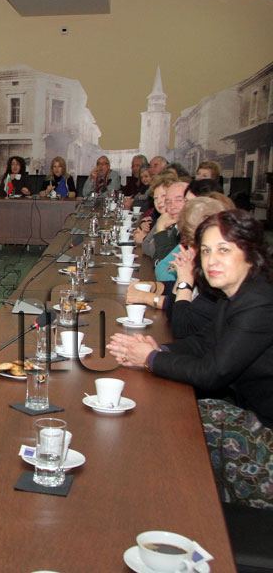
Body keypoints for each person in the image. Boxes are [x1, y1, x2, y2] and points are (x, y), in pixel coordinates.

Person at [108, 209, 273, 505]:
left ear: (250, 253)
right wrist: (155, 349)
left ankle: (186, 513)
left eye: (224, 250)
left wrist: (151, 359)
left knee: (170, 427)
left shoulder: (259, 304)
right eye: (206, 250)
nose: (211, 260)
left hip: (266, 433)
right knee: (164, 418)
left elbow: (213, 371)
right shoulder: (236, 294)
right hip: (250, 412)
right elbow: (201, 342)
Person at [152, 181, 188, 265]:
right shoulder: (177, 227)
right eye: (168, 202)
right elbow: (157, 257)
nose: (172, 206)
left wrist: (160, 229)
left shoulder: (192, 232)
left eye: (179, 200)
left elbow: (169, 265)